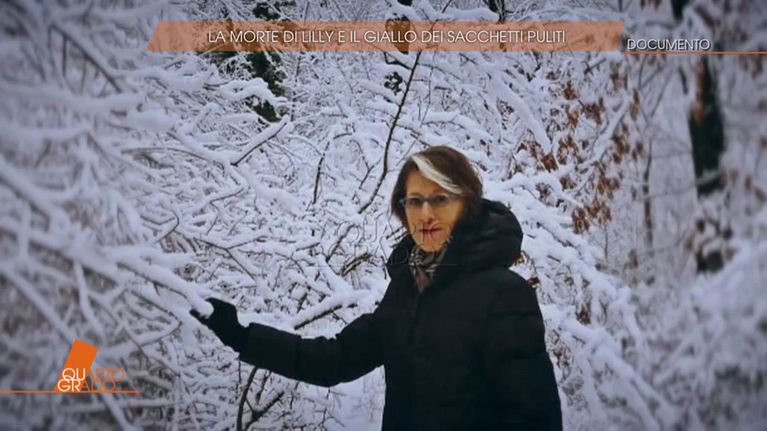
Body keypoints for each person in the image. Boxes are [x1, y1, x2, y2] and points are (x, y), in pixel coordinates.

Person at [191, 146, 563, 430]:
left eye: (440, 198)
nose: (426, 213)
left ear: (465, 204)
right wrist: (241, 336)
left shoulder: (503, 294)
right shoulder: (407, 291)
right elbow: (334, 359)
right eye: (414, 201)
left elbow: (534, 419)